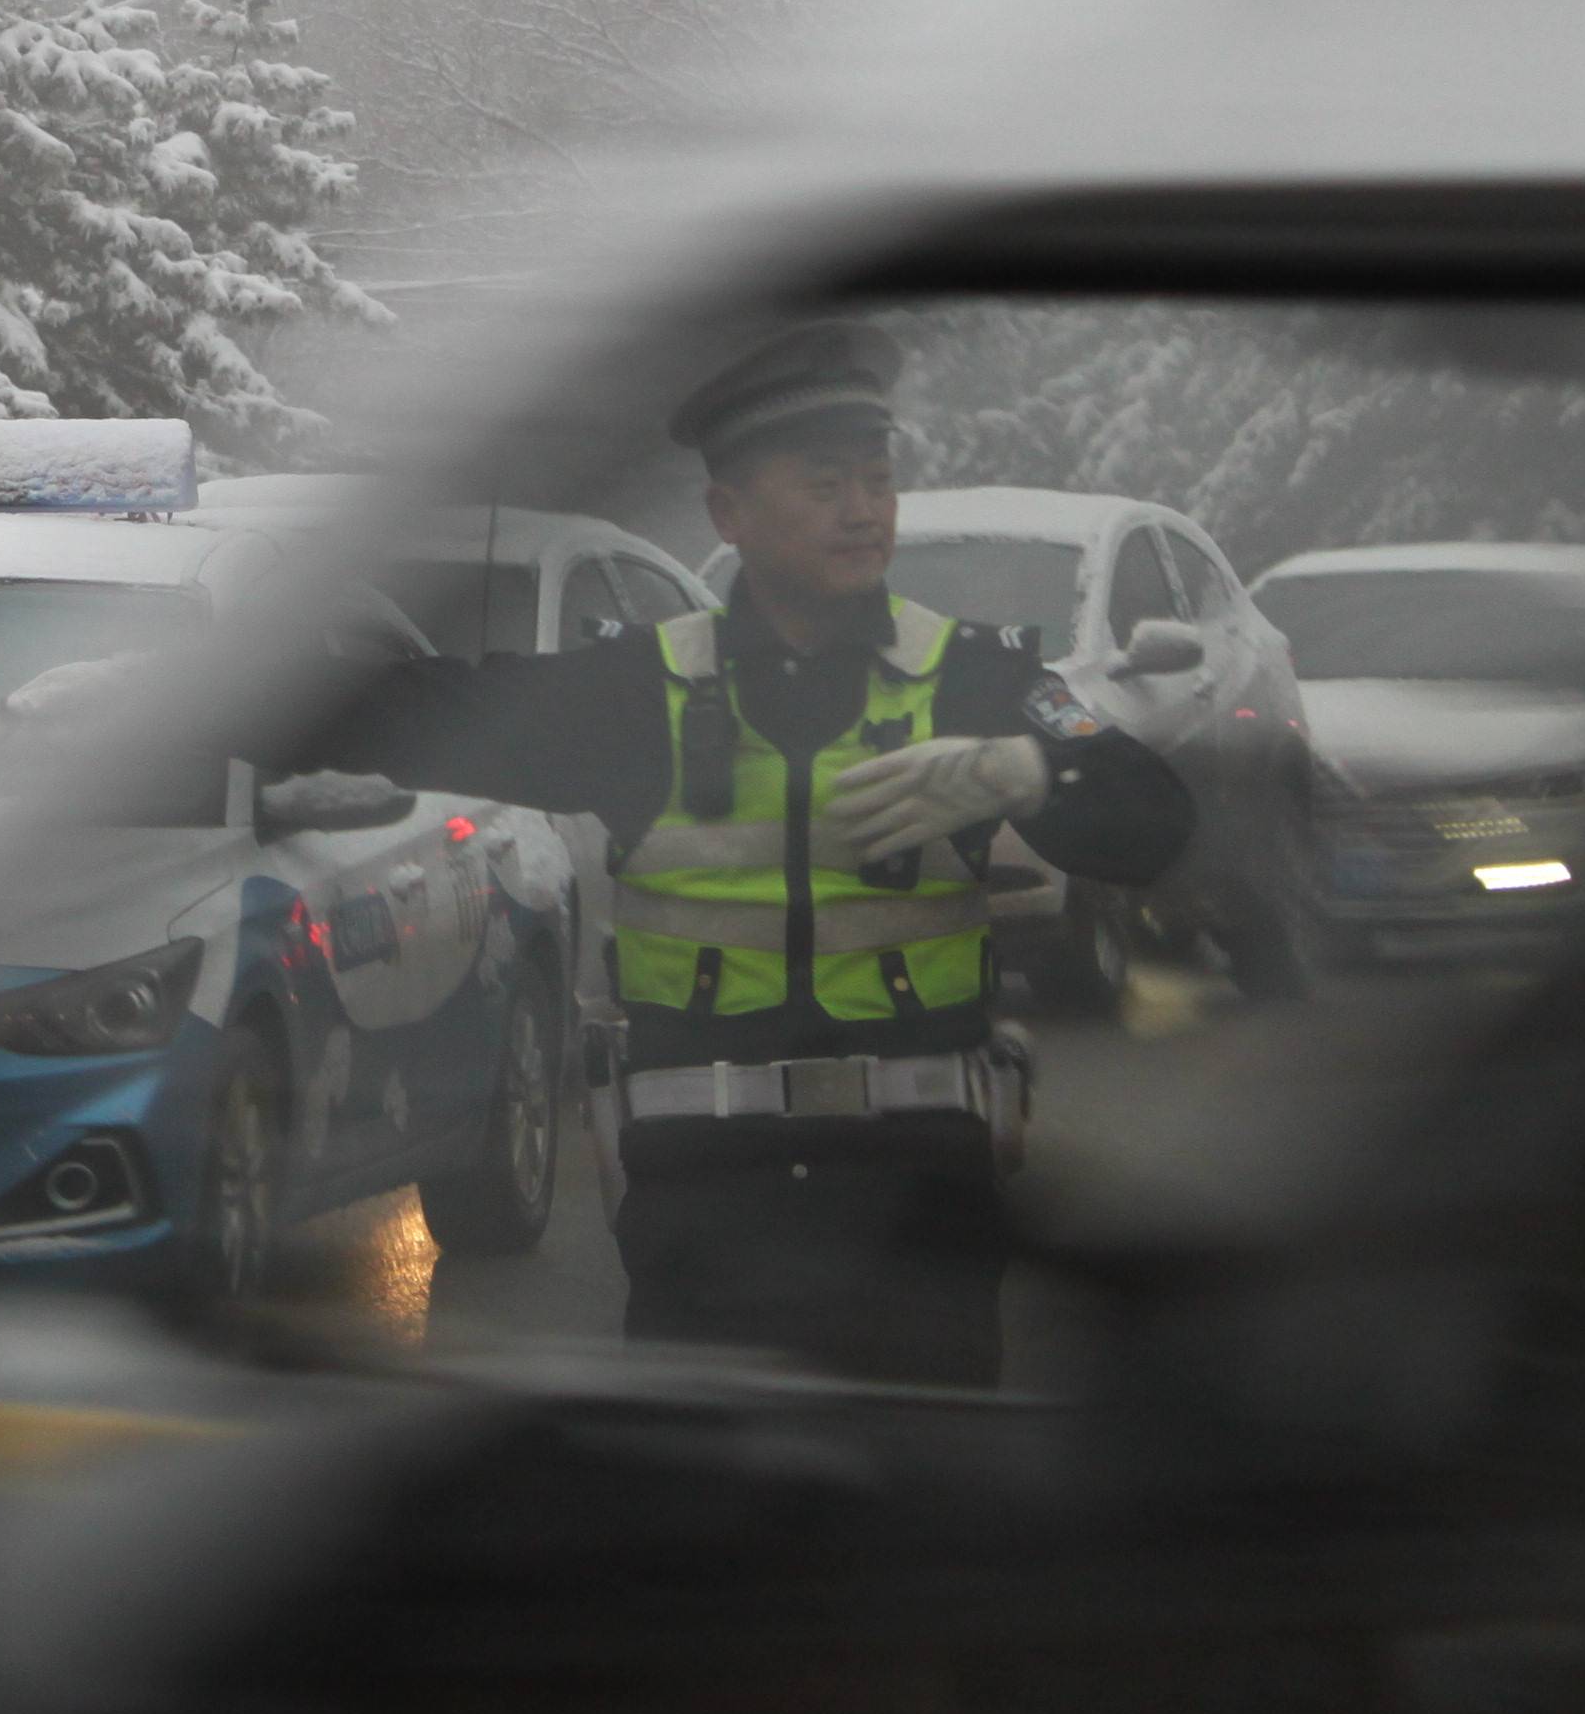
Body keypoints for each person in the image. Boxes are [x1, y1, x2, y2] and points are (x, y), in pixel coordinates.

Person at [333, 321, 1190, 1383]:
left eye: (877, 480)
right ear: (729, 513)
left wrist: (1029, 773)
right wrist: (171, 711)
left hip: (917, 1209)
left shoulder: (972, 676)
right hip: (707, 1212)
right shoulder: (635, 694)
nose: (862, 509)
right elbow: (412, 712)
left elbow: (1155, 822)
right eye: (825, 482)